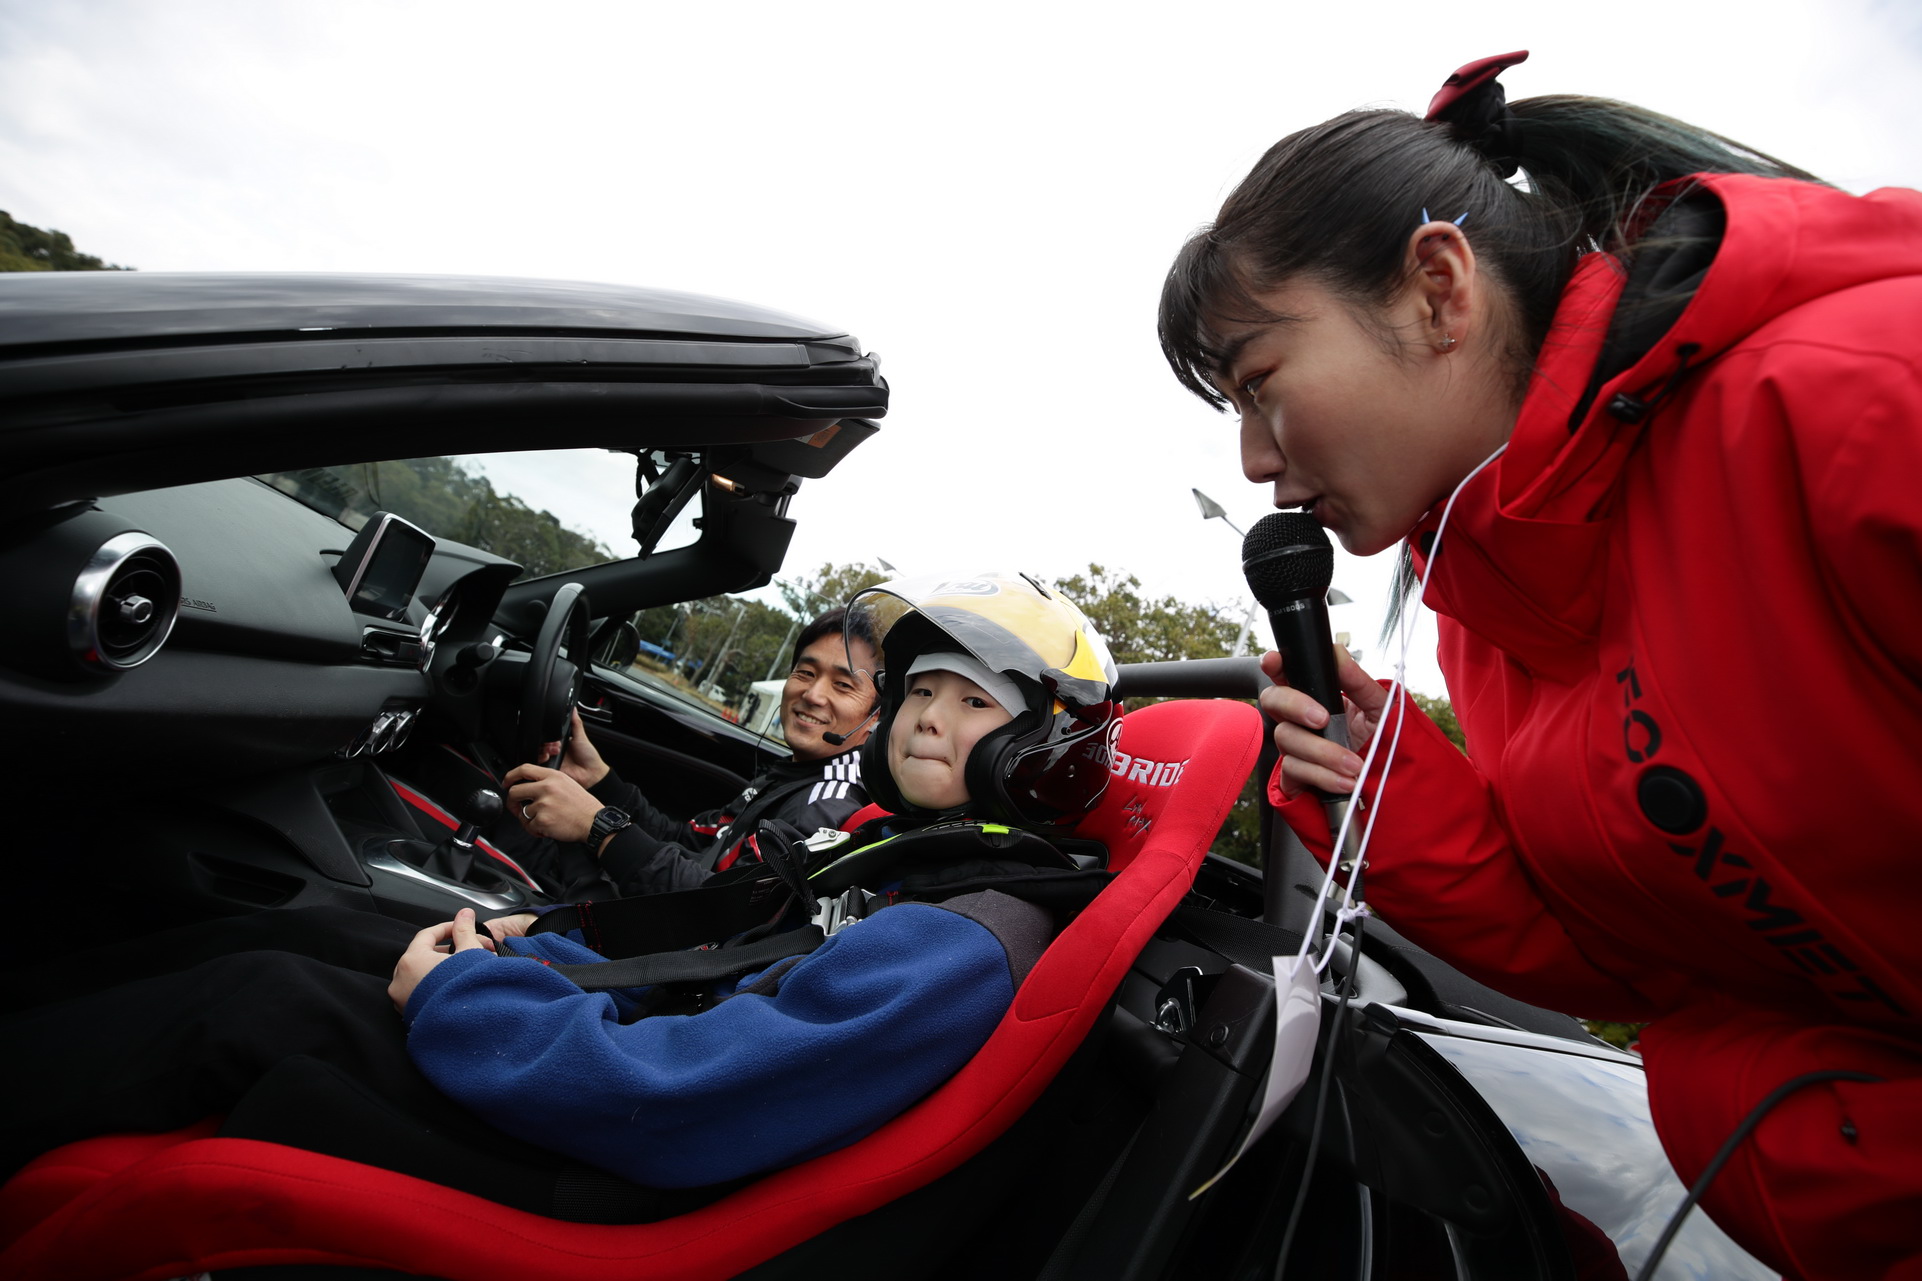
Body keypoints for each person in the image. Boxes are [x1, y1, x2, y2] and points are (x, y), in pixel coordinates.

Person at [1157, 50, 1921, 1281]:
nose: (1254, 462)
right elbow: (1641, 961)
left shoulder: (1856, 396)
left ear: (1436, 292)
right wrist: (1394, 799)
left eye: (1259, 386)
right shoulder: (1477, 613)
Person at [0, 574, 1121, 1220]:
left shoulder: (954, 940)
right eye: (919, 688)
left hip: (606, 1168)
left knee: (261, 999)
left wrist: (471, 1001)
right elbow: (716, 959)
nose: (924, 716)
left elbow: (683, 1098)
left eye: (973, 701)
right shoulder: (914, 862)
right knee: (332, 930)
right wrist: (532, 953)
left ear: (1048, 750)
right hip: (611, 1073)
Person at [503, 606, 880, 899]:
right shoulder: (798, 772)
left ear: (876, 717)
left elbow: (722, 907)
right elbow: (692, 841)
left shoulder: (825, 804)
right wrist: (599, 780)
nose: (813, 694)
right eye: (805, 672)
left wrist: (599, 827)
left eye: (844, 685)